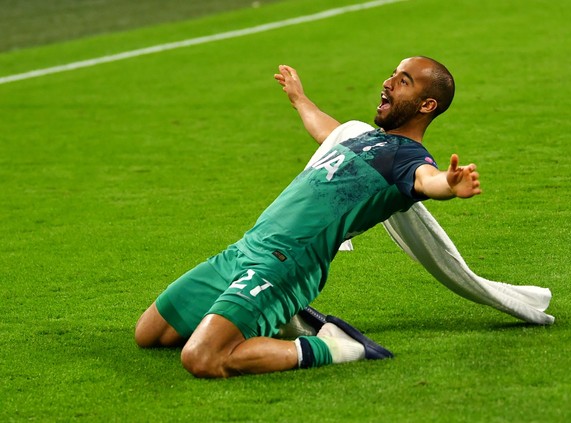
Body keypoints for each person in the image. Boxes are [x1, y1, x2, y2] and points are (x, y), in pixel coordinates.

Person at [134, 56, 482, 378]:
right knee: (151, 333)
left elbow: (427, 180)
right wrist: (300, 99)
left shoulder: (408, 159)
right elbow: (325, 130)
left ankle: (335, 346)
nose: (388, 82)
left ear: (427, 105)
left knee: (202, 357)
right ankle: (282, 319)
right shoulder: (364, 140)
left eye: (403, 81)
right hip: (246, 250)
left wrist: (449, 185)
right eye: (393, 74)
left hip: (284, 264)